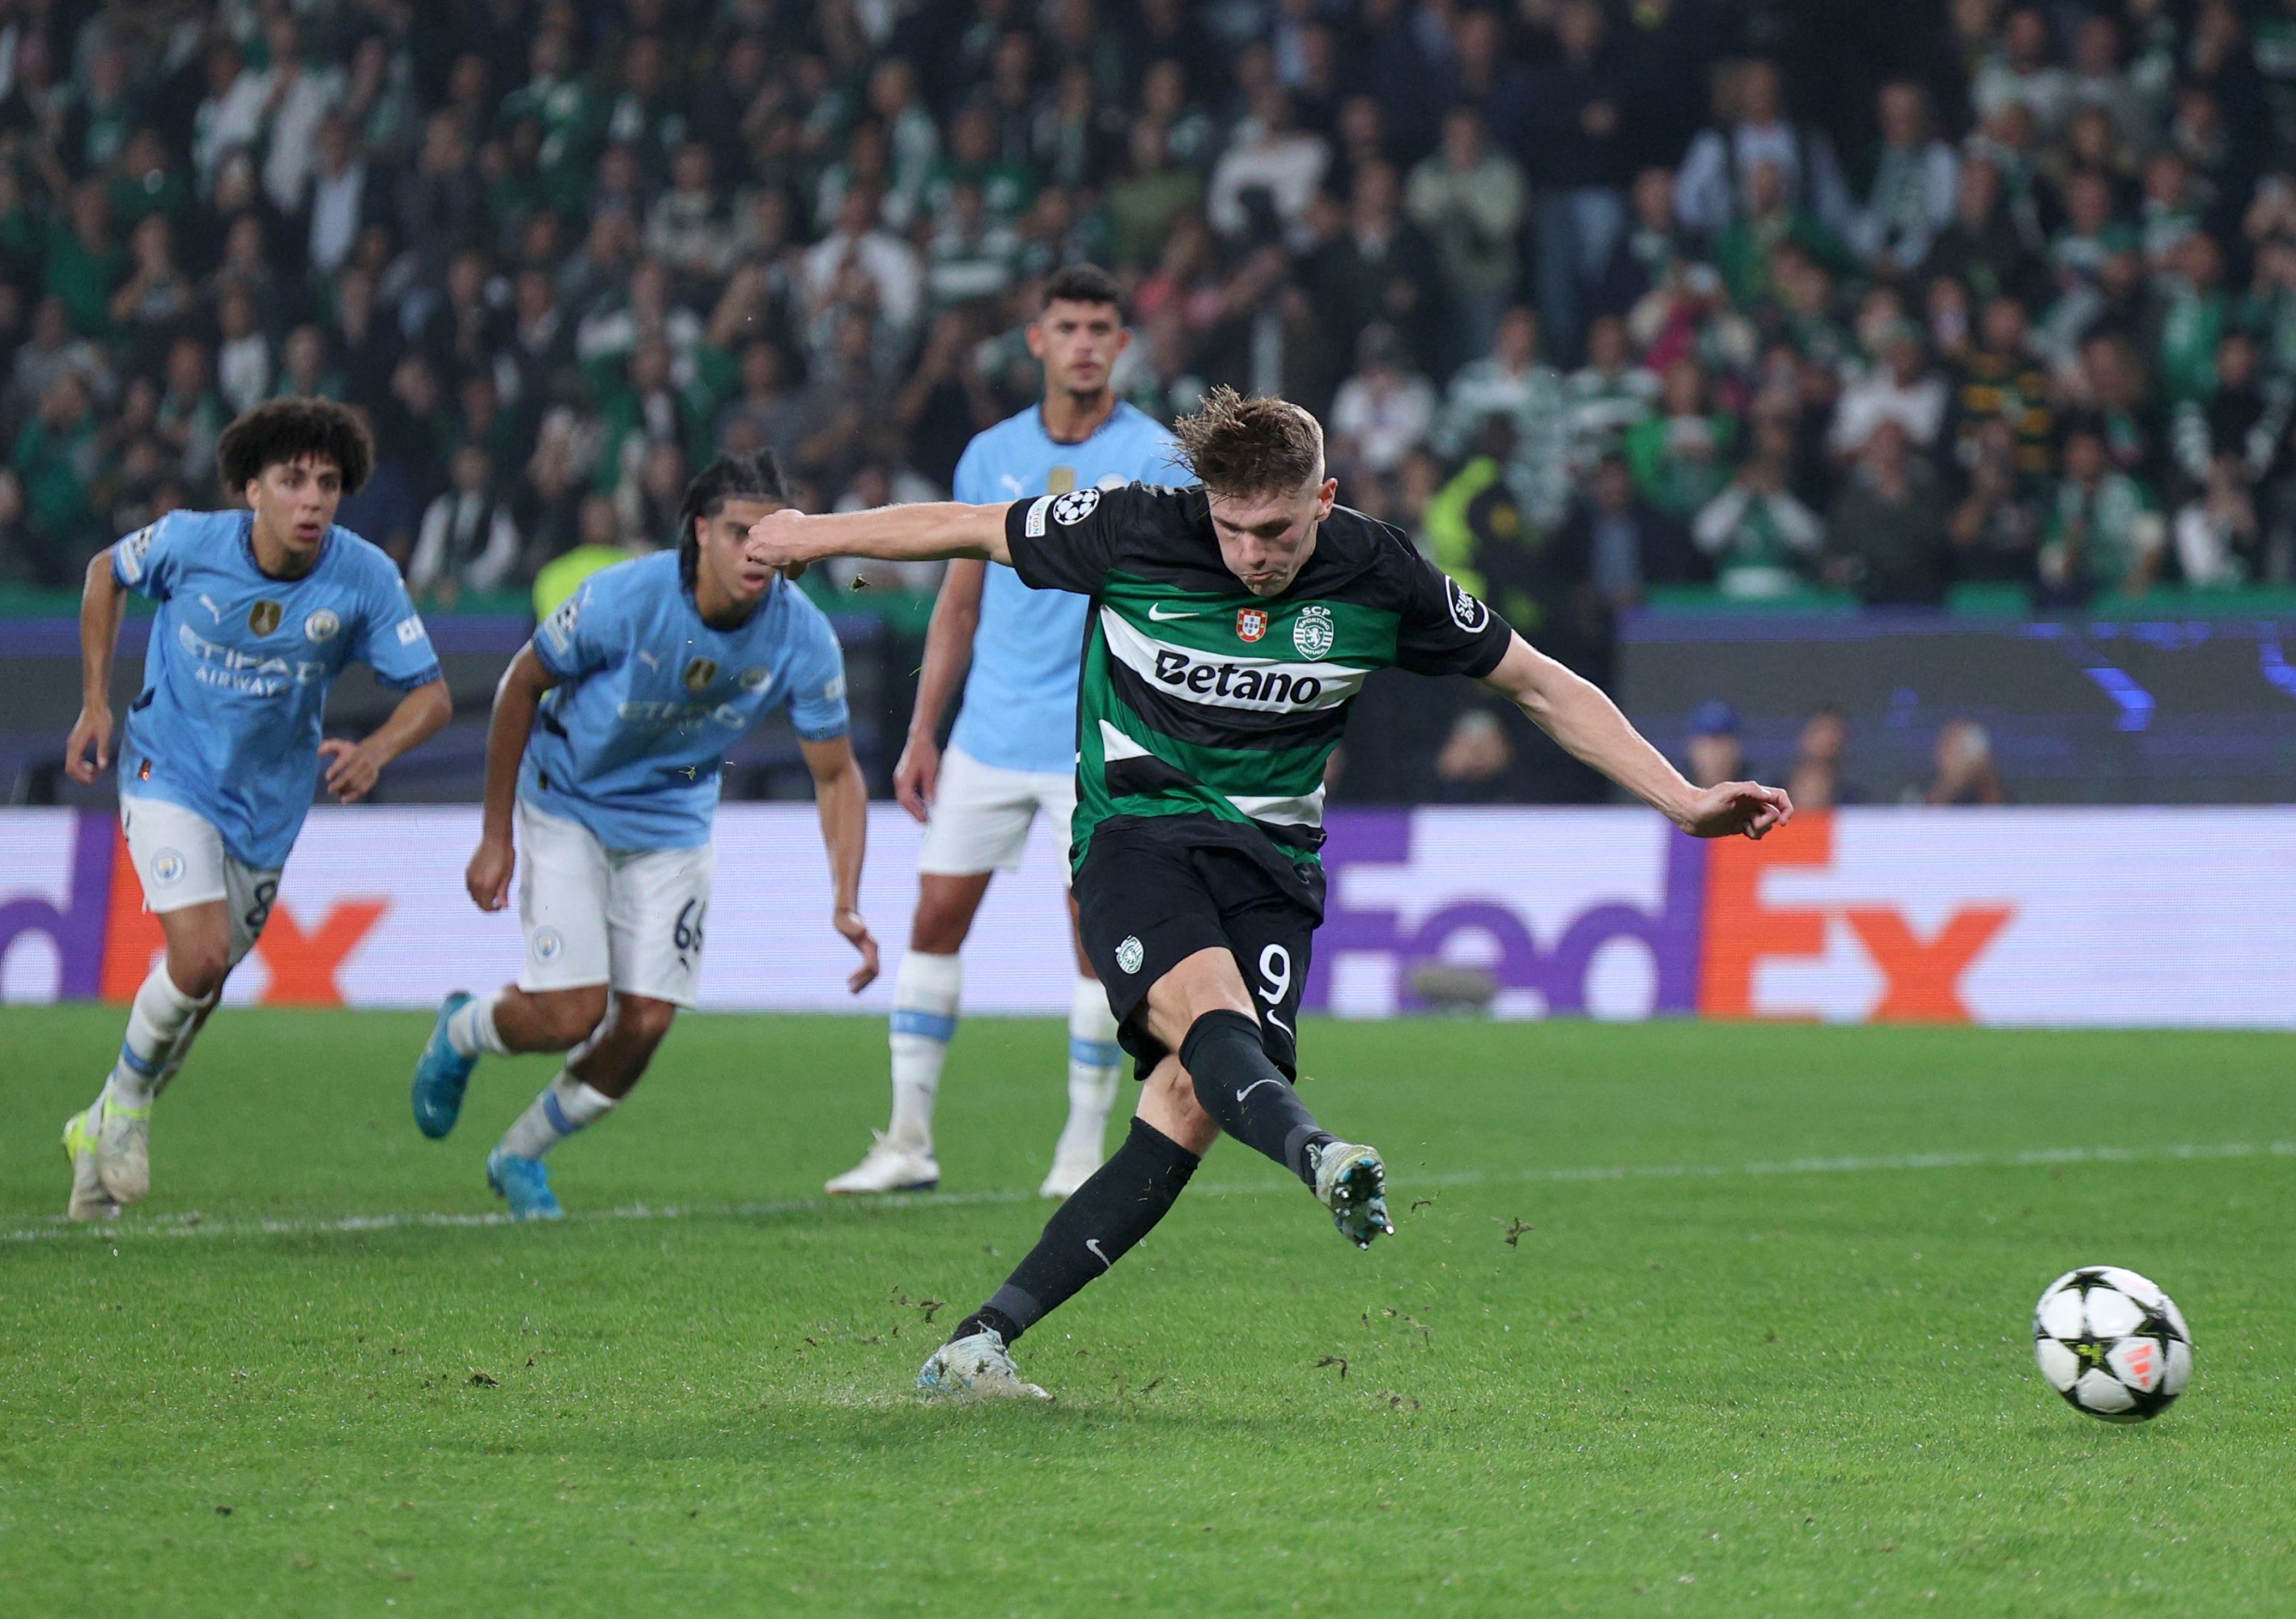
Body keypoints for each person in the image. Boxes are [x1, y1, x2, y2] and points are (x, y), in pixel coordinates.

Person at [744, 388, 1792, 1399]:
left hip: (1272, 866)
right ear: (1207, 506)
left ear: (1323, 501)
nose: (1252, 554)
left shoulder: (1375, 574)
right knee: (1210, 1020)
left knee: (1193, 1101)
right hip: (1135, 836)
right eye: (1235, 528)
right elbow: (967, 528)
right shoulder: (1129, 531)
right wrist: (809, 536)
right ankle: (1318, 1153)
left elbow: (1536, 682)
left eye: (1277, 531)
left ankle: (980, 1343)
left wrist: (1680, 797)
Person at [408, 450, 879, 1220]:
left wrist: (846, 900)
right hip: (569, 805)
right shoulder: (627, 598)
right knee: (569, 1015)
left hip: (673, 825)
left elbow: (836, 775)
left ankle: (519, 1155)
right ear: (700, 533)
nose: (756, 550)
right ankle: (461, 1031)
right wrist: (495, 835)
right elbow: (519, 684)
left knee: (648, 1021)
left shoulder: (803, 635)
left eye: (773, 534)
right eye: (737, 533)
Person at [825, 266, 1192, 1203]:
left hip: (1094, 739)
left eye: (1099, 327)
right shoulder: (989, 453)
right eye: (1064, 324)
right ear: (1035, 340)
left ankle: (1077, 1152)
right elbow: (958, 599)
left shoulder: (1154, 456)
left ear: (1121, 343)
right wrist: (922, 730)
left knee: (1092, 939)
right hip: (988, 731)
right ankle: (906, 1138)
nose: (1081, 341)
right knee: (936, 919)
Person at [57, 400, 454, 1221]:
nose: (312, 499)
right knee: (197, 957)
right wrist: (95, 701)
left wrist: (377, 749)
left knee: (199, 992)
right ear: (251, 488)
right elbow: (105, 572)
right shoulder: (189, 541)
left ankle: (95, 1125)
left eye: (329, 483)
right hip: (168, 767)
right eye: (292, 479)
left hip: (268, 807)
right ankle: (126, 1108)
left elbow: (433, 693)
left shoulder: (363, 575)